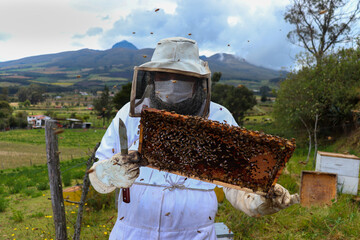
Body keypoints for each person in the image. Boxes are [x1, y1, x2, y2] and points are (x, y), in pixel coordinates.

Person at [89, 37, 299, 240]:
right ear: (152, 78)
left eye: (183, 78)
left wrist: (257, 201)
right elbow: (97, 176)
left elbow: (234, 182)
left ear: (198, 82)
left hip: (194, 234)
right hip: (133, 232)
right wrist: (107, 172)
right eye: (164, 76)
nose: (172, 84)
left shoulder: (219, 117)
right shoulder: (129, 114)